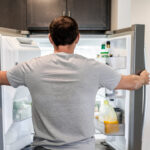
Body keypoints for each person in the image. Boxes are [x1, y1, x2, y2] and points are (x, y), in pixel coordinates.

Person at [0, 16, 149, 150]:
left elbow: (2, 77)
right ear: (77, 38)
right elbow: (132, 83)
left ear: (50, 38)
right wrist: (143, 77)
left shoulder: (30, 68)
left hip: (44, 147)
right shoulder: (94, 68)